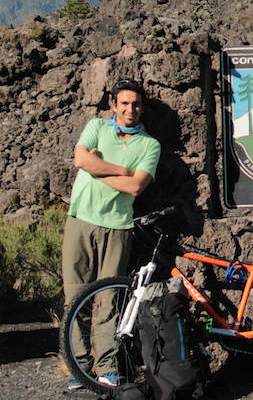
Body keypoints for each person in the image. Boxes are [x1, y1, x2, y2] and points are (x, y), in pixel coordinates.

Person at [62, 79, 161, 390]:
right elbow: (80, 159)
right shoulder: (96, 127)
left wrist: (97, 166)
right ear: (114, 105)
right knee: (75, 297)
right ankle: (78, 367)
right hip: (81, 221)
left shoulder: (150, 145)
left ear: (142, 108)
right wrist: (119, 170)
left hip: (118, 226)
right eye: (124, 103)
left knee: (109, 300)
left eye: (136, 104)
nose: (130, 109)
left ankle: (106, 367)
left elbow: (136, 187)